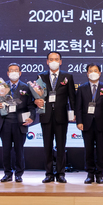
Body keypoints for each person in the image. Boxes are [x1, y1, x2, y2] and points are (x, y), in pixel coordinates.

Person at [35, 51, 76, 183]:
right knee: (47, 146)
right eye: (51, 59)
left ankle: (60, 173)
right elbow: (37, 95)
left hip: (61, 116)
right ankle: (48, 173)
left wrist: (73, 113)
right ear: (47, 62)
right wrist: (36, 102)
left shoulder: (67, 77)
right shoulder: (41, 77)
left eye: (56, 59)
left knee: (61, 146)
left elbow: (72, 97)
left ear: (60, 61)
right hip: (46, 116)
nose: (53, 61)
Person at [0, 63, 36, 183]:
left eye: (16, 70)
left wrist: (31, 117)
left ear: (20, 73)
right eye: (11, 70)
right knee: (6, 150)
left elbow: (31, 105)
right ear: (7, 73)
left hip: (20, 123)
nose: (13, 72)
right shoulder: (1, 87)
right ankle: (7, 173)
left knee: (19, 150)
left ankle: (19, 174)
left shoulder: (26, 87)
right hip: (5, 123)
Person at [75, 63, 103, 184]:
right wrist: (79, 121)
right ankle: (90, 174)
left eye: (95, 71)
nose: (93, 73)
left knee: (101, 150)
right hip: (86, 124)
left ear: (100, 73)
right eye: (90, 71)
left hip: (102, 124)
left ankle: (100, 174)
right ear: (87, 74)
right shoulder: (81, 88)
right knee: (88, 150)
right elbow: (78, 107)